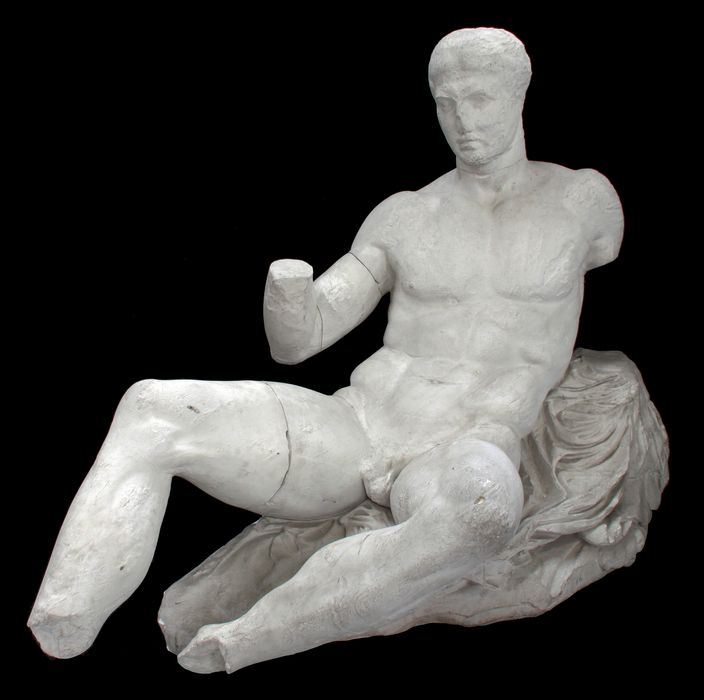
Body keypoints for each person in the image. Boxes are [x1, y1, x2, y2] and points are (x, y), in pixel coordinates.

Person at [28, 27, 623, 673]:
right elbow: (302, 340)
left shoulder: (583, 201)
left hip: (467, 444)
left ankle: (249, 638)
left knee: (482, 510)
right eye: (446, 104)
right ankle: (66, 613)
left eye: (479, 99)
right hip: (359, 425)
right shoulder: (405, 215)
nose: (462, 122)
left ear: (518, 94)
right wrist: (289, 294)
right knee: (153, 408)